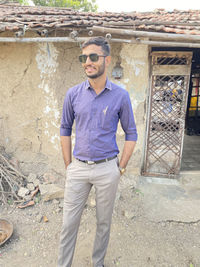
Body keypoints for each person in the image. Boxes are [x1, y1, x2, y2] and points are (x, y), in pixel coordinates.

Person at [58, 36, 137, 267]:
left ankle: (98, 263)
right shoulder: (73, 94)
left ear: (107, 60)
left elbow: (131, 133)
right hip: (78, 168)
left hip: (107, 168)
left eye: (93, 57)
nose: (87, 62)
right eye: (84, 58)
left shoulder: (120, 96)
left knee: (103, 223)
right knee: (68, 223)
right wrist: (68, 164)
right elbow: (64, 128)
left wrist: (120, 168)